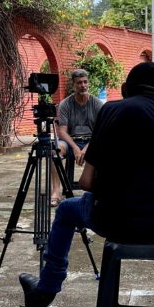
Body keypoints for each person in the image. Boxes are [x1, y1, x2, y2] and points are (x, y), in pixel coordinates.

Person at [18, 62, 154, 307]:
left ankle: (44, 293)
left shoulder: (110, 110)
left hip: (112, 221)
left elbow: (85, 182)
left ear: (125, 89)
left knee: (65, 211)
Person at [50, 69, 104, 205]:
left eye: (85, 82)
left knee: (106, 149)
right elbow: (62, 131)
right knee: (55, 150)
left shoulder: (97, 104)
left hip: (92, 142)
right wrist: (75, 148)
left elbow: (100, 131)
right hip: (70, 141)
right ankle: (56, 192)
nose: (83, 85)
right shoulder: (65, 104)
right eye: (79, 83)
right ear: (73, 85)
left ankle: (99, 191)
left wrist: (86, 148)